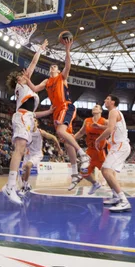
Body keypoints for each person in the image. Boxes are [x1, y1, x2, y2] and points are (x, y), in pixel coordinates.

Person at [24, 39, 91, 178]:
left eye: (55, 66)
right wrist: (27, 79)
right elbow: (35, 88)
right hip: (56, 111)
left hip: (66, 106)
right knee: (67, 142)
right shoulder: (46, 81)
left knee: (61, 131)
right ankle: (74, 173)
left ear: (58, 70)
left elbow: (68, 65)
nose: (52, 67)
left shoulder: (62, 77)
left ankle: (83, 154)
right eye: (51, 67)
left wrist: (67, 50)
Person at [2, 40, 58, 205]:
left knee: (20, 150)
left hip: (26, 117)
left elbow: (32, 114)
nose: (26, 74)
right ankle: (10, 186)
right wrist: (39, 49)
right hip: (21, 117)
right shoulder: (20, 87)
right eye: (22, 74)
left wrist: (47, 112)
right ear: (18, 80)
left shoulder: (28, 89)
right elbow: (33, 63)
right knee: (19, 150)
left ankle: (13, 185)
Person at [95, 95, 132, 213]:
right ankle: (116, 196)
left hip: (120, 146)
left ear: (113, 102)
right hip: (118, 146)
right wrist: (100, 126)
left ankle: (124, 201)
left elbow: (110, 129)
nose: (105, 100)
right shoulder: (114, 113)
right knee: (105, 171)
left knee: (106, 171)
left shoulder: (113, 112)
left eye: (107, 99)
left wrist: (98, 139)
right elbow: (111, 126)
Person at [18, 118, 62, 196]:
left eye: (35, 121)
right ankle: (27, 185)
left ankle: (24, 187)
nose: (33, 122)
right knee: (23, 176)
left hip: (37, 154)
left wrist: (59, 149)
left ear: (37, 124)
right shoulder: (26, 131)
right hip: (27, 154)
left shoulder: (40, 132)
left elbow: (54, 138)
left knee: (28, 166)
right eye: (31, 120)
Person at [72, 104, 106, 194]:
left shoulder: (104, 121)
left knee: (108, 173)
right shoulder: (87, 121)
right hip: (90, 152)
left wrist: (100, 127)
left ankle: (116, 192)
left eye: (97, 107)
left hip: (100, 152)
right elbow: (81, 132)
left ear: (101, 111)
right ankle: (95, 183)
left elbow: (112, 128)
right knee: (84, 171)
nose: (94, 107)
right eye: (93, 107)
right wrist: (71, 139)